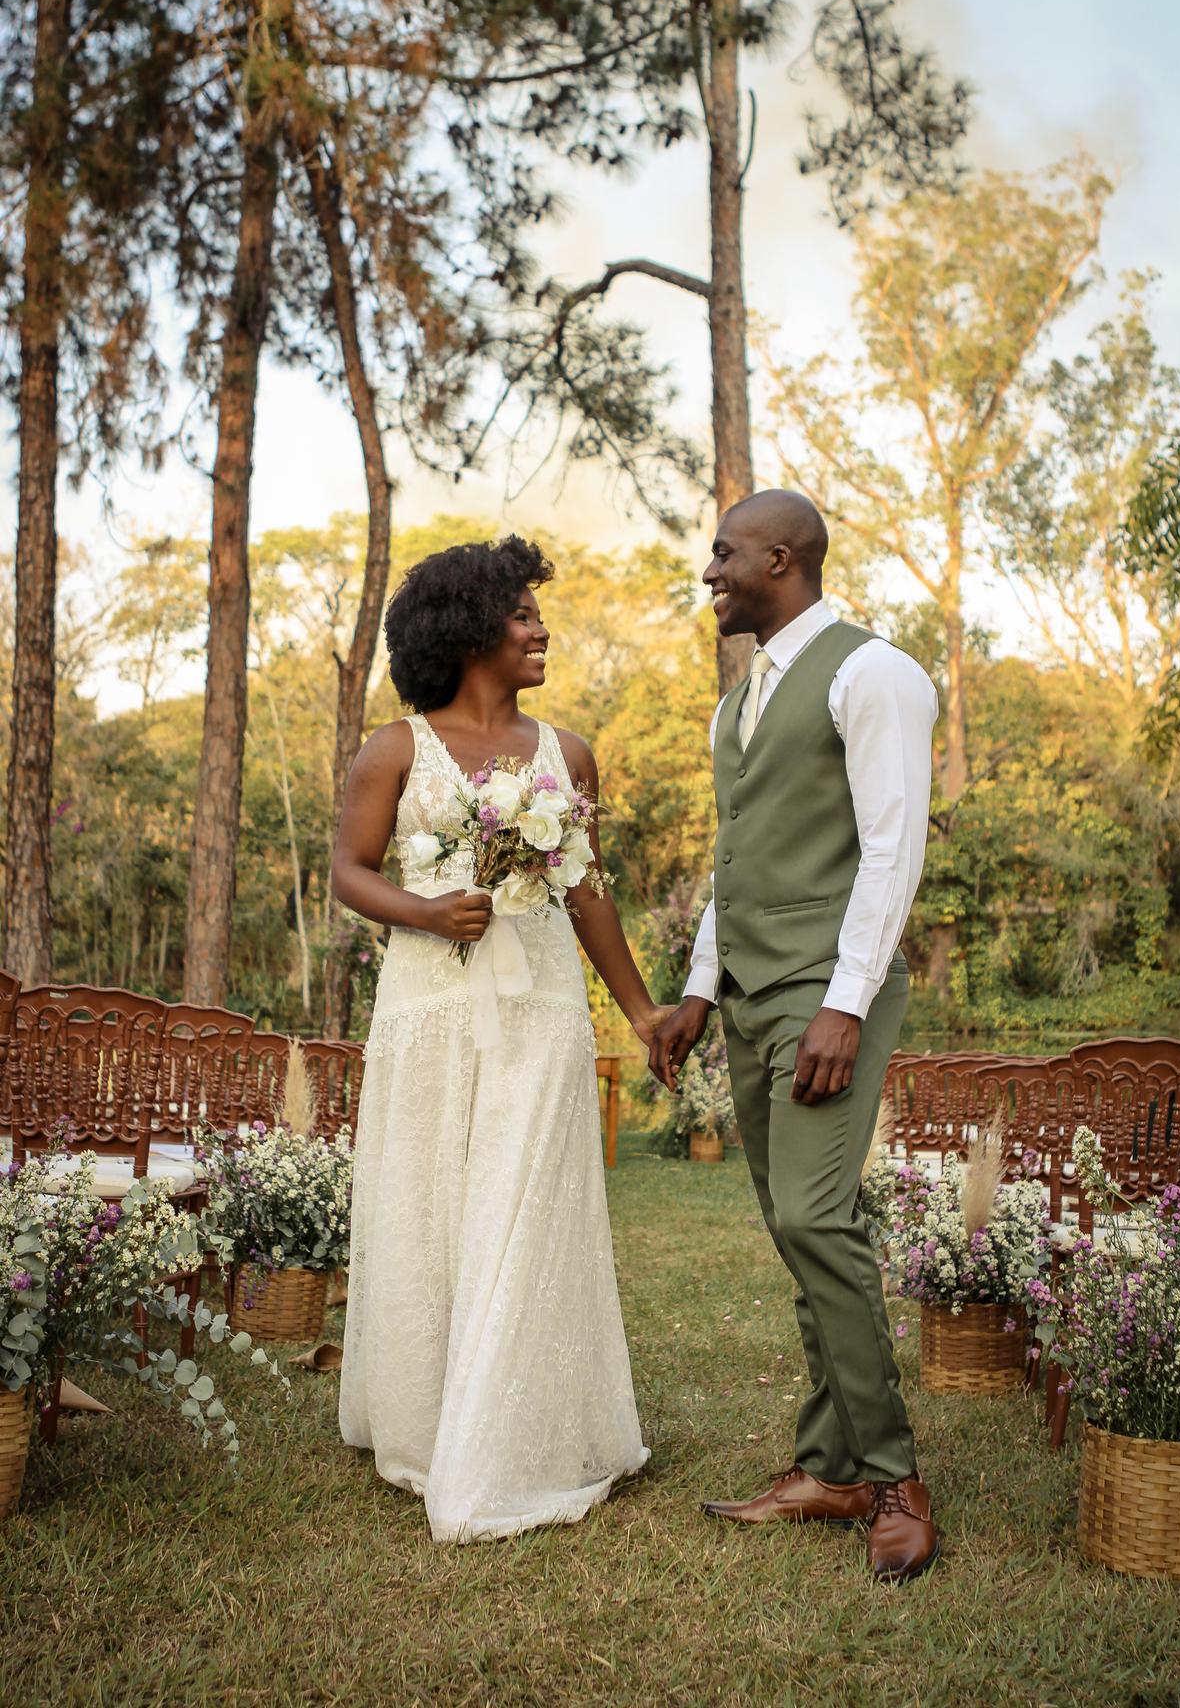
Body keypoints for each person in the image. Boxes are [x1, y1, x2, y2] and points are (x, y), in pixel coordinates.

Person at [333, 534, 664, 1543]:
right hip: (429, 1007)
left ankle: (518, 1427)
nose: (540, 628)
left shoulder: (567, 755)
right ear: (470, 627)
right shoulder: (395, 749)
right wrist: (426, 912)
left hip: (542, 1006)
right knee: (435, 1202)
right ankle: (431, 1418)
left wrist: (643, 1011)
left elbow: (590, 894)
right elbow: (349, 873)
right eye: (521, 613)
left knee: (527, 1197)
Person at [650, 489, 941, 1584]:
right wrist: (696, 990)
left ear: (783, 556)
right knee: (792, 1225)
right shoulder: (739, 704)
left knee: (818, 1217)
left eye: (725, 552)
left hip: (829, 996)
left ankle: (895, 1476)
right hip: (754, 998)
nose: (712, 568)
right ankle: (828, 1465)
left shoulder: (875, 674)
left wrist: (846, 1002)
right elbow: (739, 863)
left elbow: (891, 847)